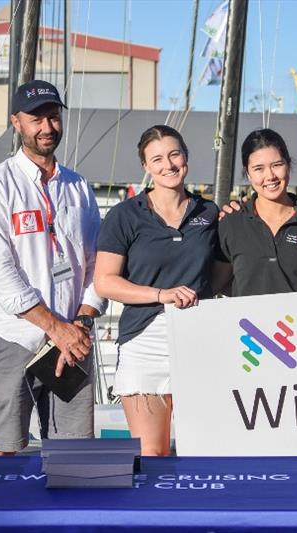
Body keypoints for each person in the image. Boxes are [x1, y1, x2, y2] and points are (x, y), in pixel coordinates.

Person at [0, 80, 105, 455]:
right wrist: (55, 328)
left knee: (74, 454)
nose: (47, 127)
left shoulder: (78, 186)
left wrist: (80, 323)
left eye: (53, 117)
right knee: (3, 450)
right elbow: (0, 274)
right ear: (16, 122)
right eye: (36, 119)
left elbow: (97, 263)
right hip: (16, 337)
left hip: (73, 341)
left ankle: (71, 516)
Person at [93, 125, 222, 456]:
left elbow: (222, 275)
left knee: (203, 451)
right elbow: (105, 281)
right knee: (153, 455)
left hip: (198, 341)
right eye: (158, 159)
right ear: (146, 167)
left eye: (175, 154)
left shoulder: (209, 213)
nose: (169, 165)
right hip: (144, 343)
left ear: (187, 158)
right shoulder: (124, 216)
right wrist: (160, 294)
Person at [217, 128, 297, 294]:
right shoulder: (231, 222)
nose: (270, 176)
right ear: (248, 174)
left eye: (277, 165)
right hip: (248, 320)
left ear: (288, 164)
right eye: (258, 169)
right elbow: (218, 283)